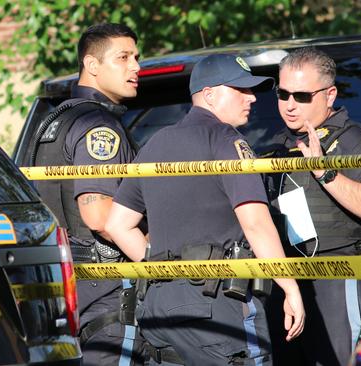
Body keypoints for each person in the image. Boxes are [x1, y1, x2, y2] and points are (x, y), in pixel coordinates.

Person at [105, 54, 305, 366]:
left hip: (159, 307)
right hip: (217, 308)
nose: (251, 98)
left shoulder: (154, 144)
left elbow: (118, 224)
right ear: (209, 94)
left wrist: (162, 268)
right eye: (240, 90)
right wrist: (289, 286)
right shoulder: (226, 140)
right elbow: (255, 223)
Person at [263, 47, 361, 366]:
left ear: (329, 94)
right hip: (286, 280)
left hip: (339, 277)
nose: (290, 104)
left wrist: (324, 171)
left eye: (302, 95)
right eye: (282, 93)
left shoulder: (357, 142)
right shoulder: (275, 146)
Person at [30, 23, 143, 365]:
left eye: (136, 57)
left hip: (59, 283)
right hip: (106, 286)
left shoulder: (52, 121)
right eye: (123, 57)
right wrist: (154, 257)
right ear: (92, 65)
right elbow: (100, 216)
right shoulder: (98, 125)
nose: (136, 66)